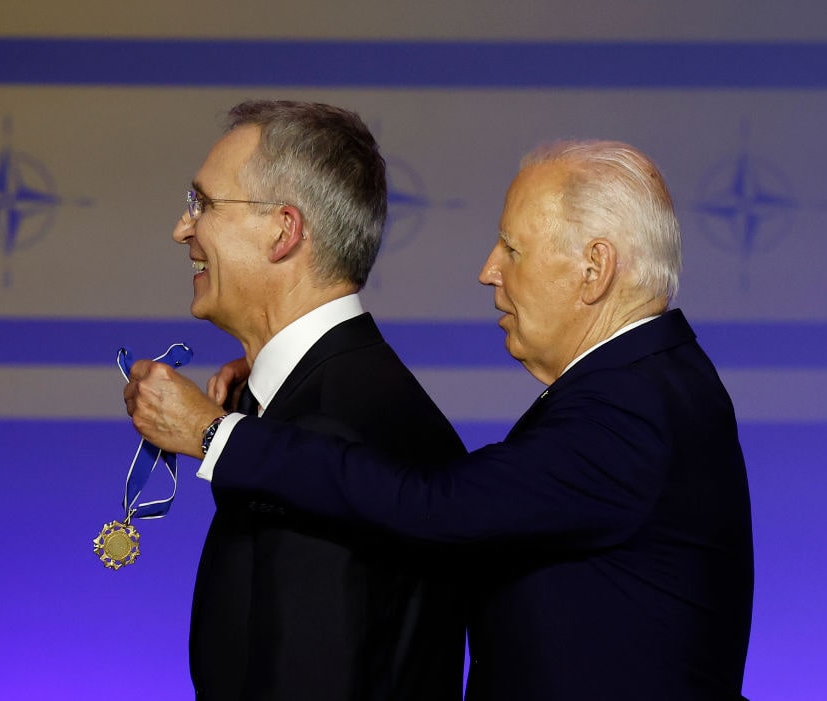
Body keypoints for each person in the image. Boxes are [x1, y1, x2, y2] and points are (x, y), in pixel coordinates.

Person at [127, 139, 755, 699]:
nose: (488, 270)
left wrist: (215, 434)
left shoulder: (635, 406)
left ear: (594, 269)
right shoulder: (652, 384)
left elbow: (440, 507)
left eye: (512, 248)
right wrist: (275, 383)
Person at [126, 100, 467, 701]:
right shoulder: (331, 395)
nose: (183, 229)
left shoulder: (329, 427)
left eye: (202, 204)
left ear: (283, 230)